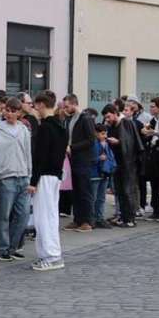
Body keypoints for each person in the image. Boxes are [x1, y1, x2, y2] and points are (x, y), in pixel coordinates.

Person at [0, 99, 33, 261]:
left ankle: (12, 247)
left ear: (20, 113)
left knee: (22, 215)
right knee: (3, 215)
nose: (10, 113)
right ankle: (1, 249)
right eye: (7, 110)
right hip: (6, 176)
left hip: (23, 176)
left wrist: (29, 174)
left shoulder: (24, 130)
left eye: (14, 111)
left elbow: (28, 153)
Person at [28, 91, 67, 272]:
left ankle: (50, 256)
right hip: (55, 176)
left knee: (42, 218)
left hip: (44, 176)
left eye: (36, 105)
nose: (35, 108)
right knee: (50, 216)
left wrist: (33, 181)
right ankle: (51, 254)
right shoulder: (61, 126)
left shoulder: (45, 128)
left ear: (42, 104)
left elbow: (40, 157)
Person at [66, 98, 99, 233]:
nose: (65, 109)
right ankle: (78, 219)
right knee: (76, 191)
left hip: (83, 160)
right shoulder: (70, 119)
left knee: (85, 190)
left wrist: (72, 147)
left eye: (67, 106)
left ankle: (87, 221)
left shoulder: (85, 118)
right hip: (73, 159)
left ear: (74, 104)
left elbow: (91, 140)